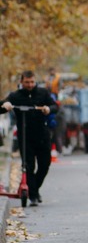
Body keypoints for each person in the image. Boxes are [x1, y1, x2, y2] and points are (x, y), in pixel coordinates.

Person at [0, 71, 59, 205]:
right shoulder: (15, 96)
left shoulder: (43, 93)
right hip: (25, 136)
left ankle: (34, 189)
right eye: (27, 82)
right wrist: (5, 106)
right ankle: (33, 195)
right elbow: (2, 105)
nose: (30, 85)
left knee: (45, 164)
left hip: (42, 135)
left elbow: (55, 106)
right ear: (22, 82)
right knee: (28, 166)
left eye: (32, 82)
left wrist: (48, 109)